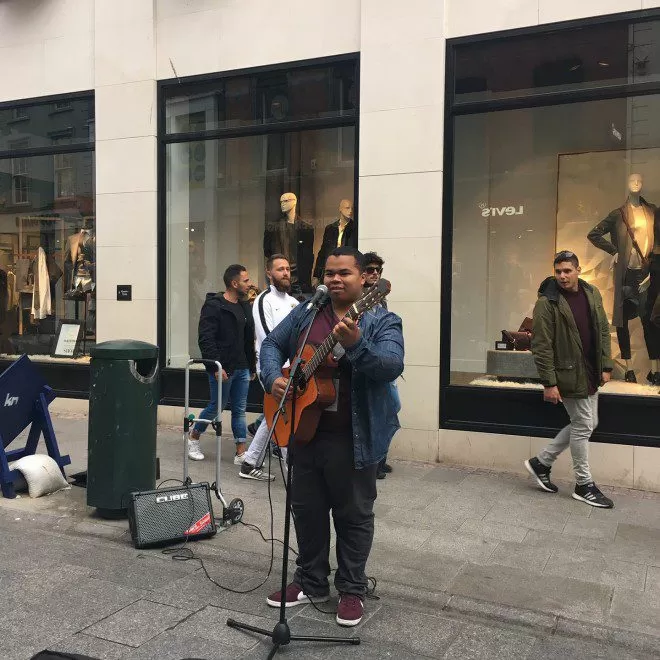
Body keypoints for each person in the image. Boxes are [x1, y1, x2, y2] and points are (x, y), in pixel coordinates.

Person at [260, 246, 404, 627]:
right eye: (329, 273)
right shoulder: (309, 313)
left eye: (344, 273)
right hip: (305, 432)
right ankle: (310, 581)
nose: (335, 280)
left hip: (355, 438)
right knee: (306, 511)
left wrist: (356, 344)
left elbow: (391, 366)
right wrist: (273, 377)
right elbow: (272, 343)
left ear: (365, 280)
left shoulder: (382, 319)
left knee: (353, 515)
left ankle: (352, 588)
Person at [524, 250, 614, 508]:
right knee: (584, 425)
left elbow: (603, 331)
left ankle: (541, 462)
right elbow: (541, 346)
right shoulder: (547, 302)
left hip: (591, 371)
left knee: (587, 422)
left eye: (567, 271)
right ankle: (583, 484)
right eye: (558, 271)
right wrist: (549, 383)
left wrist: (606, 365)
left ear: (578, 270)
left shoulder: (591, 292)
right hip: (567, 374)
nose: (562, 276)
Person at [240, 254, 299, 481]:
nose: (285, 273)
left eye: (287, 269)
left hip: (292, 369)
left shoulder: (294, 303)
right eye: (280, 269)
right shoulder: (264, 300)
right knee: (284, 414)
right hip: (273, 371)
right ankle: (291, 471)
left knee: (272, 415)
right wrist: (279, 371)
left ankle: (249, 463)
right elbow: (268, 340)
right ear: (269, 273)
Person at [189, 264, 256, 464]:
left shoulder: (244, 306)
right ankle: (193, 437)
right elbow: (206, 339)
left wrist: (251, 366)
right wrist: (215, 367)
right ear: (234, 283)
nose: (249, 283)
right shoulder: (214, 306)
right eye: (245, 280)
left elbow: (247, 339)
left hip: (242, 366)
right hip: (223, 367)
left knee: (239, 409)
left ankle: (240, 452)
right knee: (216, 406)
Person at [363, 251, 396, 479]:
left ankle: (379, 459)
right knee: (379, 411)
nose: (375, 274)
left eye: (378, 270)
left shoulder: (380, 296)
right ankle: (374, 462)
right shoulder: (360, 298)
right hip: (367, 361)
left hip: (382, 362)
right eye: (370, 270)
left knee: (392, 407)